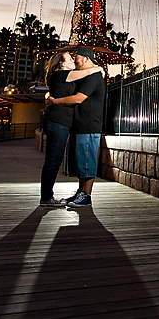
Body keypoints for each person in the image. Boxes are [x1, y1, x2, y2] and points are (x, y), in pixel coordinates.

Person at [39, 51, 104, 206]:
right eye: (70, 58)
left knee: (57, 160)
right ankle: (47, 197)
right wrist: (98, 68)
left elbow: (80, 93)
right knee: (53, 160)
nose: (73, 60)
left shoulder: (70, 76)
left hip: (64, 122)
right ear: (62, 64)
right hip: (58, 121)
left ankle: (82, 194)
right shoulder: (62, 74)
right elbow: (87, 72)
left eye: (75, 57)